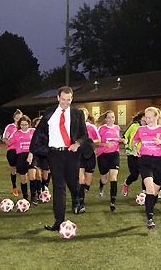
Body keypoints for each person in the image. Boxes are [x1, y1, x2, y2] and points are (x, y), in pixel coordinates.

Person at [28, 86, 90, 232]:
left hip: (71, 154)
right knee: (58, 186)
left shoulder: (77, 114)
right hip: (54, 154)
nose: (66, 102)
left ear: (72, 99)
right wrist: (33, 151)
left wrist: (77, 143)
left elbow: (84, 135)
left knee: (73, 183)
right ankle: (59, 220)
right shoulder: (50, 113)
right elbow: (39, 132)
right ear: (58, 98)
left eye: (68, 100)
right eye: (63, 99)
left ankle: (76, 198)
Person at [132, 107, 161, 229]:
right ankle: (150, 218)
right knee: (149, 189)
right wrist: (135, 149)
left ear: (156, 117)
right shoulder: (141, 129)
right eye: (146, 117)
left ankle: (150, 207)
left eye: (150, 117)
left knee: (154, 192)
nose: (147, 119)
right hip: (145, 161)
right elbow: (134, 140)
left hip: (159, 162)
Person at [96, 110, 126, 212]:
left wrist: (122, 140)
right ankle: (101, 186)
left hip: (114, 155)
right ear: (105, 119)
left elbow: (117, 139)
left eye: (112, 117)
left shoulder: (117, 128)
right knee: (104, 179)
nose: (111, 119)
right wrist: (106, 145)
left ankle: (112, 202)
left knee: (113, 177)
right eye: (109, 117)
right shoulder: (101, 129)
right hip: (103, 155)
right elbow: (96, 143)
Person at [8, 115, 38, 204]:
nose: (24, 126)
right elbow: (9, 142)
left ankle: (33, 196)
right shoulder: (16, 134)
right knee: (23, 179)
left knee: (32, 176)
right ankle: (25, 196)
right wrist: (4, 139)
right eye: (22, 125)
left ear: (29, 124)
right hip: (20, 156)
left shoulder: (33, 131)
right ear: (19, 125)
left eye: (26, 124)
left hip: (32, 155)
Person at [77, 108, 100, 213]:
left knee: (88, 182)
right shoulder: (74, 127)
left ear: (87, 116)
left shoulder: (91, 127)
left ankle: (82, 190)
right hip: (78, 155)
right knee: (80, 179)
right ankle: (81, 203)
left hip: (89, 155)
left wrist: (90, 142)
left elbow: (98, 139)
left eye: (84, 115)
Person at [122, 111, 146, 196]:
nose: (146, 119)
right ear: (141, 117)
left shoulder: (149, 127)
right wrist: (126, 144)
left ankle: (144, 192)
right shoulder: (134, 126)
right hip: (133, 154)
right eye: (145, 117)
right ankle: (126, 184)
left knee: (145, 174)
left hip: (144, 154)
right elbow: (125, 135)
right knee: (134, 175)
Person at [3, 109, 23, 196]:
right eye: (17, 118)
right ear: (14, 118)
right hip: (12, 150)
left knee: (23, 169)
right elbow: (4, 138)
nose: (18, 120)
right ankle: (14, 186)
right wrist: (10, 143)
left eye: (20, 118)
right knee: (14, 168)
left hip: (22, 150)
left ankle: (23, 187)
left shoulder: (24, 127)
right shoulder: (10, 127)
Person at [32, 116, 50, 195]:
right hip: (37, 155)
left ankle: (44, 187)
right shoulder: (33, 133)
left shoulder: (48, 132)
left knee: (45, 175)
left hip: (46, 155)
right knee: (38, 174)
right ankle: (39, 191)